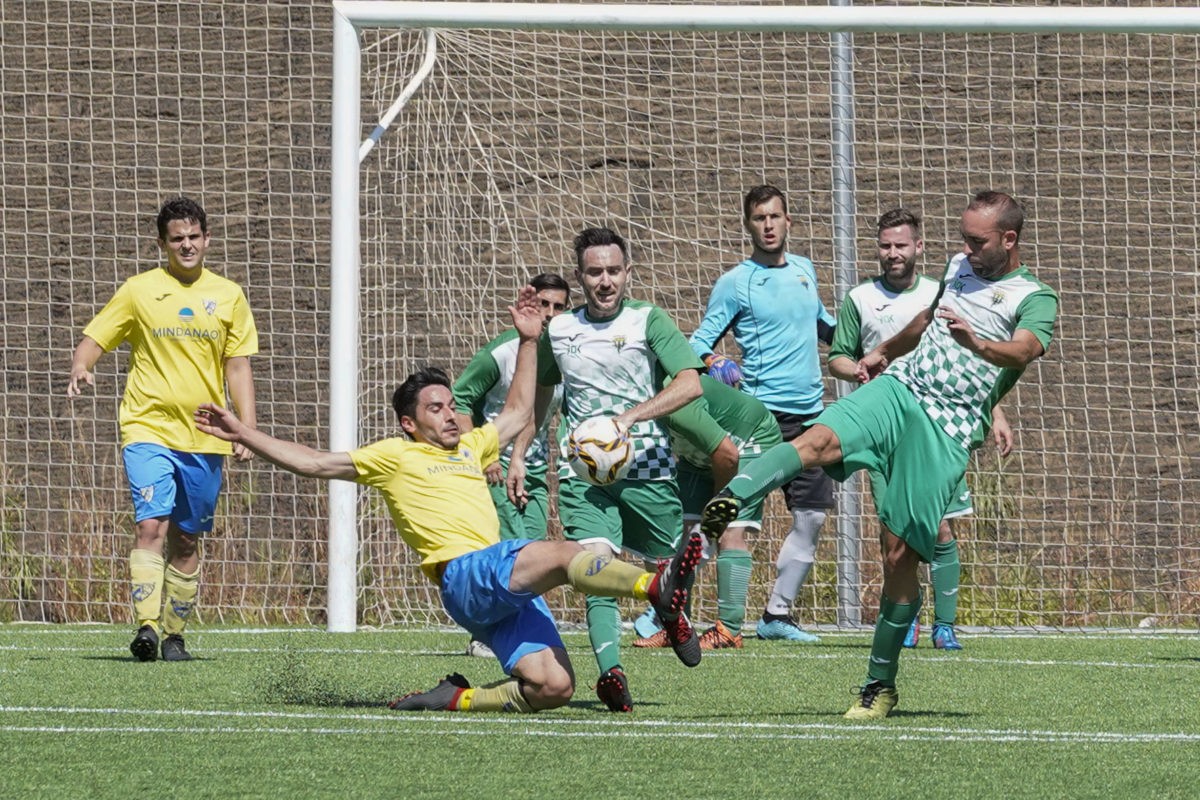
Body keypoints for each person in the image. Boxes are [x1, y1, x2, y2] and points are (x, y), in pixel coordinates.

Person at [195, 287, 704, 714]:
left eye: (451, 407)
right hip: (466, 574)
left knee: (554, 688)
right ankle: (655, 586)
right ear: (409, 422)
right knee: (568, 551)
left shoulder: (470, 443)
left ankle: (453, 698)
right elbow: (312, 462)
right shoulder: (393, 455)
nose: (449, 416)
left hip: (495, 593)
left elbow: (521, 409)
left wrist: (529, 342)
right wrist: (244, 430)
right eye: (435, 408)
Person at [701, 191, 1058, 719]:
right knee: (817, 440)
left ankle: (880, 683)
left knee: (899, 558)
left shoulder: (1035, 296)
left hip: (947, 425)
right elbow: (929, 317)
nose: (964, 247)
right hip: (900, 390)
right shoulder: (959, 267)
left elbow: (1024, 349)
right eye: (963, 237)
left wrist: (979, 346)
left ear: (1009, 240)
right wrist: (886, 350)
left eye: (976, 240)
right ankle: (735, 495)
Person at [67, 197, 259, 662]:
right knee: (150, 524)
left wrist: (246, 428)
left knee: (188, 537)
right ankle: (147, 628)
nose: (187, 245)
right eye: (177, 239)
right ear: (163, 243)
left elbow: (237, 366)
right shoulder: (139, 290)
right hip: (146, 426)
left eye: (194, 237)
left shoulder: (229, 295)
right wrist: (82, 365)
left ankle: (174, 635)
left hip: (204, 435)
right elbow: (97, 337)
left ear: (207, 239)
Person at [828, 208, 1014, 651]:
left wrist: (997, 413)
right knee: (893, 528)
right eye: (885, 246)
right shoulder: (859, 298)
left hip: (941, 422)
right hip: (887, 422)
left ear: (919, 248)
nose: (893, 253)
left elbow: (979, 362)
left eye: (901, 245)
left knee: (942, 527)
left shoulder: (945, 289)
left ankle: (944, 624)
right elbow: (837, 354)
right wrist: (856, 369)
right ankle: (905, 615)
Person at [537, 226, 705, 712]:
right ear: (580, 276)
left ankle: (670, 610)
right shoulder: (561, 329)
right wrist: (522, 447)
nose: (605, 281)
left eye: (613, 270)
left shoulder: (648, 320)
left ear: (628, 273)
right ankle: (611, 673)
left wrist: (629, 419)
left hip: (648, 466)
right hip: (583, 475)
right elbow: (542, 390)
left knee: (667, 567)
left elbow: (691, 384)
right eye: (594, 272)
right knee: (592, 568)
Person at [689, 185, 837, 643]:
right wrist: (715, 362)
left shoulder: (805, 270)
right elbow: (697, 344)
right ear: (748, 224)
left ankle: (776, 615)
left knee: (811, 516)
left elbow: (825, 327)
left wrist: (865, 345)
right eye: (759, 218)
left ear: (789, 221)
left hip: (810, 416)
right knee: (734, 519)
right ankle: (695, 614)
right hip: (759, 417)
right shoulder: (736, 282)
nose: (768, 225)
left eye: (775, 216)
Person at [453, 274, 570, 658]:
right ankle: (484, 633)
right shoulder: (500, 353)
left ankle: (518, 633)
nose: (550, 314)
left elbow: (545, 413)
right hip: (496, 467)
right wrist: (486, 457)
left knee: (533, 556)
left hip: (534, 470)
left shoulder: (566, 356)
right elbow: (461, 400)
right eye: (544, 305)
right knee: (506, 552)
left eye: (559, 307)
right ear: (530, 307)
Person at [631, 374, 783, 650]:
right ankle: (676, 627)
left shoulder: (675, 402)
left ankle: (730, 630)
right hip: (699, 455)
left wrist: (718, 507)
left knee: (728, 531)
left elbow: (727, 455)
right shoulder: (630, 402)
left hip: (747, 442)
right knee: (682, 538)